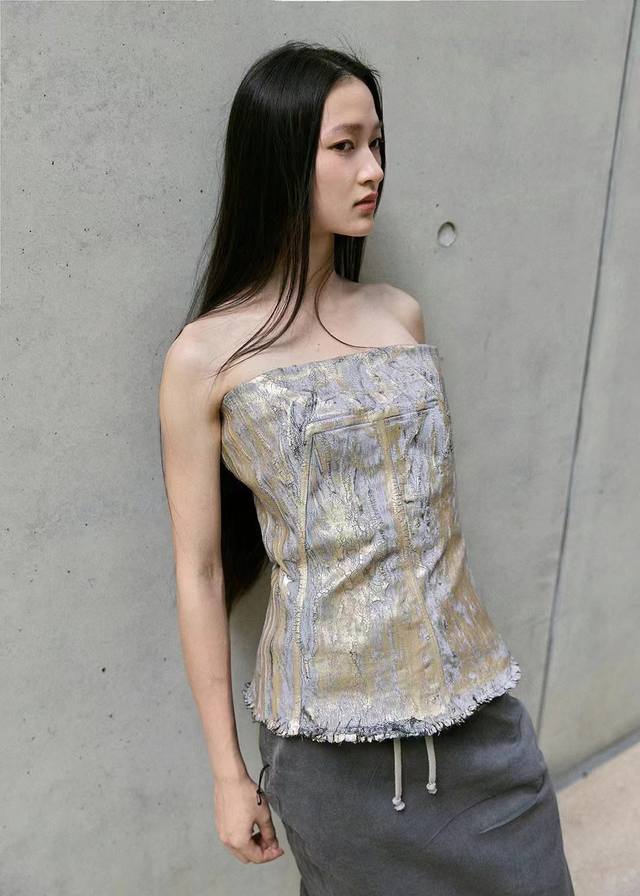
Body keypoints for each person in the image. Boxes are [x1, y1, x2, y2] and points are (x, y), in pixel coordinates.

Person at [159, 40, 575, 896]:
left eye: (377, 143)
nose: (373, 169)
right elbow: (199, 572)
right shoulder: (204, 358)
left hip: (480, 729)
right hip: (331, 759)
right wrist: (228, 775)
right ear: (281, 158)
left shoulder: (399, 316)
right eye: (345, 146)